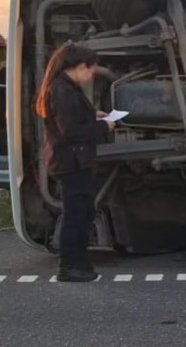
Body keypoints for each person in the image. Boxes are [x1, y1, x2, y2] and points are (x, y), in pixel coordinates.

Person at [34, 42, 115, 282]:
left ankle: (77, 263)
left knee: (83, 211)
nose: (91, 75)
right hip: (71, 163)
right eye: (90, 70)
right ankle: (69, 266)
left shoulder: (63, 86)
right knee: (76, 214)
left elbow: (70, 120)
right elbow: (70, 131)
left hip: (70, 161)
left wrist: (93, 115)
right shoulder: (63, 90)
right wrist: (103, 126)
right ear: (80, 66)